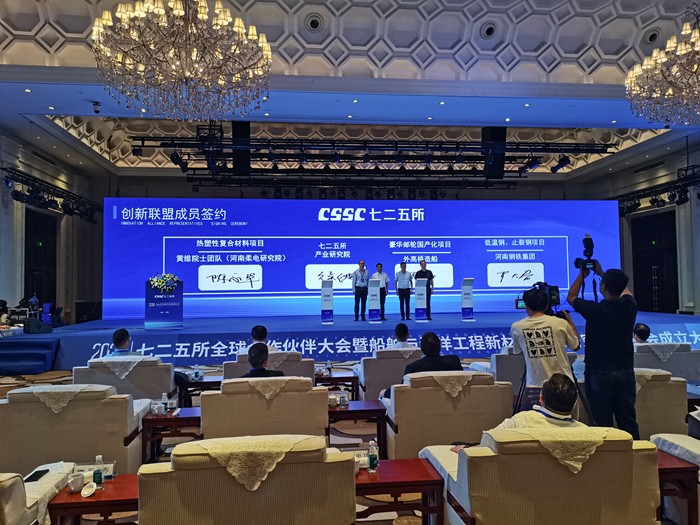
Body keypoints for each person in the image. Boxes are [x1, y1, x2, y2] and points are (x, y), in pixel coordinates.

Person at [567, 263, 640, 439]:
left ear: (603, 287)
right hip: (625, 371)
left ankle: (607, 454)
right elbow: (625, 291)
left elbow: (571, 297)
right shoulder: (630, 306)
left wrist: (582, 275)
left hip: (599, 372)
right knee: (628, 419)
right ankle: (635, 451)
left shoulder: (594, 309)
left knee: (602, 420)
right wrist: (601, 272)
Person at [450, 373, 586, 451]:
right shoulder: (587, 433)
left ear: (541, 399)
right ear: (575, 403)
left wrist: (466, 450)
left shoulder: (521, 421)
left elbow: (488, 443)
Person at [511, 287, 580, 410]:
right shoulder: (560, 323)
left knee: (535, 421)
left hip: (535, 386)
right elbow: (576, 346)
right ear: (547, 305)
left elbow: (517, 351)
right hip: (564, 384)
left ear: (526, 306)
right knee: (566, 420)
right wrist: (569, 320)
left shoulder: (517, 327)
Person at [381, 331, 461, 398]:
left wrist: (385, 393)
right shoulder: (454, 361)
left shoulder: (413, 368)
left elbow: (402, 391)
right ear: (440, 346)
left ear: (422, 349)